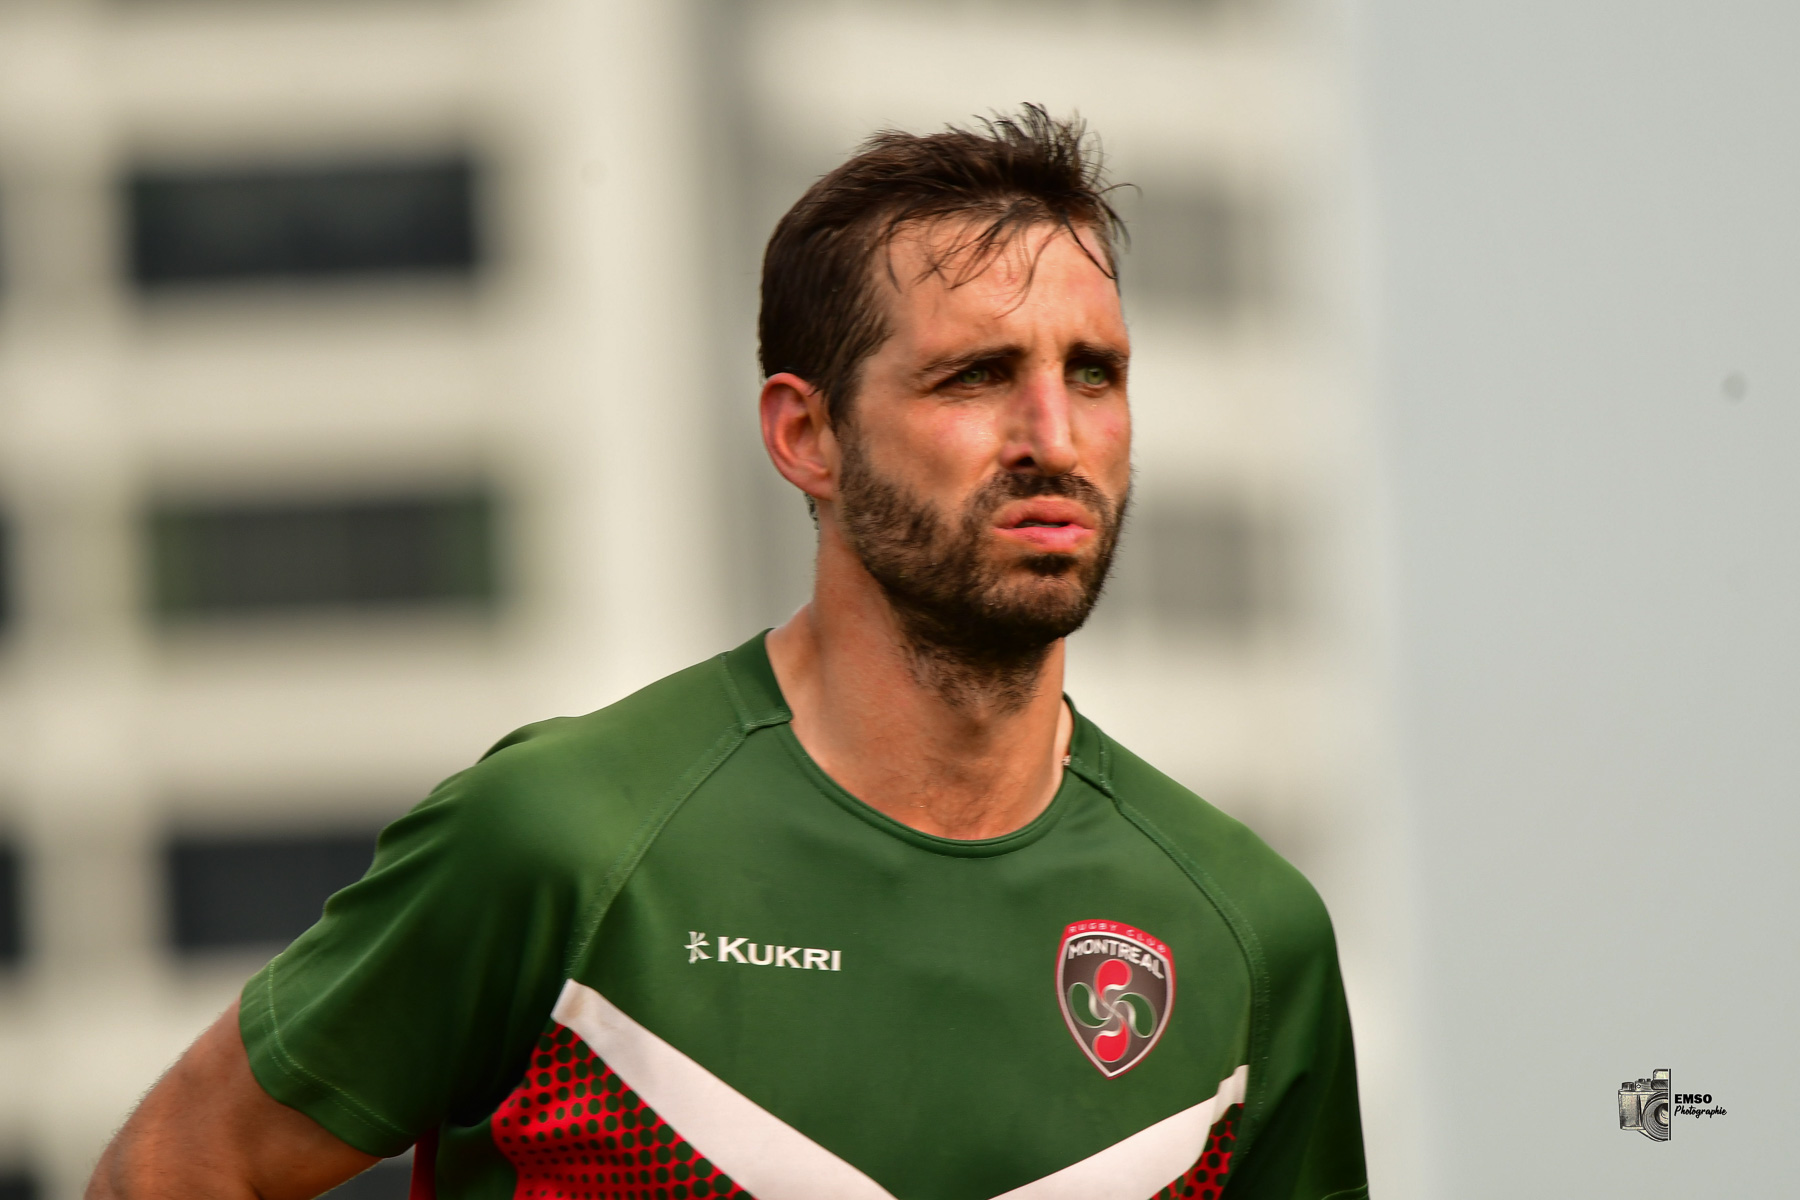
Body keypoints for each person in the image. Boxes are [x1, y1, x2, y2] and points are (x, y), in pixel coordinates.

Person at [88, 107, 1367, 1200]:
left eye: (1094, 373)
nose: (1055, 435)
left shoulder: (1249, 937)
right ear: (806, 436)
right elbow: (181, 1167)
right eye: (976, 375)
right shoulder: (564, 843)